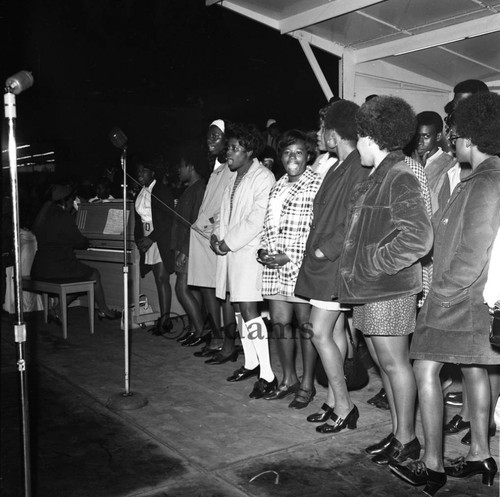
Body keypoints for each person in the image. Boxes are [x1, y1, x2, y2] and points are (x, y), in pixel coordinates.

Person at [391, 92, 500, 496]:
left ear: (470, 137)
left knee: (424, 370)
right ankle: (479, 455)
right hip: (471, 299)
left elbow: (473, 250)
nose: (450, 140)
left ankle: (432, 465)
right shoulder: (478, 178)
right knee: (473, 368)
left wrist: (440, 293)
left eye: (455, 134)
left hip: (459, 298)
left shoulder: (485, 182)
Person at [338, 96, 433, 464]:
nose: (357, 144)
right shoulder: (376, 176)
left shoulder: (401, 175)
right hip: (368, 290)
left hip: (387, 289)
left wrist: (376, 262)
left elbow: (419, 237)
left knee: (395, 365)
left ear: (371, 137)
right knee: (383, 363)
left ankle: (408, 439)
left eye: (359, 136)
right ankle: (397, 433)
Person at [295, 100, 370, 423]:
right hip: (325, 264)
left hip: (334, 265)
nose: (318, 133)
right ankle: (332, 400)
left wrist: (327, 249)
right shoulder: (338, 163)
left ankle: (344, 406)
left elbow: (354, 217)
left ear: (335, 132)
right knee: (336, 333)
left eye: (323, 127)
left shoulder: (356, 166)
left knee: (319, 333)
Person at [211, 122, 276, 398]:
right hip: (231, 253)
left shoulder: (263, 177)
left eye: (235, 149)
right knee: (239, 308)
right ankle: (251, 363)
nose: (230, 153)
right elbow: (221, 214)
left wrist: (228, 242)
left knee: (249, 310)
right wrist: (216, 236)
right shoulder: (233, 176)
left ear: (250, 150)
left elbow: (257, 220)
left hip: (249, 254)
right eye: (229, 148)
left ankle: (268, 375)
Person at [257, 129, 321, 403]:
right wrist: (263, 250)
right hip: (274, 267)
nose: (292, 157)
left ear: (308, 155)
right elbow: (268, 223)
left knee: (306, 327)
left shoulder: (317, 183)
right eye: (286, 152)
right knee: (280, 325)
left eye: (298, 152)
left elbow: (315, 229)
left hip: (300, 266)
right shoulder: (278, 184)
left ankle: (307, 383)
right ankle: (289, 379)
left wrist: (289, 256)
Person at [30, 184, 119, 321]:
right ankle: (104, 310)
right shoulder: (63, 217)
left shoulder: (43, 214)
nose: (72, 205)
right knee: (93, 275)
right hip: (56, 267)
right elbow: (79, 242)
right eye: (71, 201)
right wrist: (88, 242)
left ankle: (58, 309)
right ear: (64, 201)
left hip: (40, 267)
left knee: (81, 276)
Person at [188, 119, 237, 361]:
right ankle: (216, 338)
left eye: (216, 136)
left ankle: (229, 344)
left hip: (218, 237)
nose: (211, 140)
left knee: (223, 292)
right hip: (203, 236)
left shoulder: (232, 167)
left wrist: (208, 222)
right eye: (209, 136)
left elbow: (226, 206)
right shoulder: (216, 167)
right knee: (207, 288)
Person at [170, 143, 207, 346]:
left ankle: (201, 330)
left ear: (190, 167)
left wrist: (184, 251)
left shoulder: (199, 190)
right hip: (185, 247)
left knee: (181, 289)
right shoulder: (191, 189)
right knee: (192, 291)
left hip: (190, 249)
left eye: (181, 166)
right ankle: (195, 329)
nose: (178, 170)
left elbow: (195, 224)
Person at [134, 161, 175, 333]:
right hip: (148, 237)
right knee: (158, 279)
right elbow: (139, 220)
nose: (140, 174)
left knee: (161, 278)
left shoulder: (161, 190)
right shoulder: (142, 190)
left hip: (160, 238)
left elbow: (167, 219)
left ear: (152, 172)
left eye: (143, 170)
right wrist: (140, 239)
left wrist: (151, 238)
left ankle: (166, 320)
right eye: (138, 171)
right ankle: (163, 317)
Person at [411, 111, 456, 213]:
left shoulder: (449, 165)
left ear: (438, 136)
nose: (420, 142)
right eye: (416, 136)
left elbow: (436, 205)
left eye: (426, 136)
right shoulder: (408, 159)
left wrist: (419, 171)